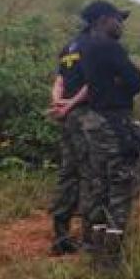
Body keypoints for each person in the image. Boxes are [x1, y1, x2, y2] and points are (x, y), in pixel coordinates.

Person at [79, 0, 140, 267]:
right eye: (119, 19)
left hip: (94, 120)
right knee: (120, 186)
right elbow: (136, 81)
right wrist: (123, 80)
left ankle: (95, 250)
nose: (121, 25)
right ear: (104, 20)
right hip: (113, 122)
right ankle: (111, 259)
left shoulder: (85, 46)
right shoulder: (110, 47)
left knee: (99, 185)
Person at [47, 20, 93, 254]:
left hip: (66, 116)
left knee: (68, 172)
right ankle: (88, 239)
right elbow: (92, 83)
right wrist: (71, 104)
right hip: (85, 116)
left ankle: (60, 236)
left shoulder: (68, 47)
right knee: (89, 175)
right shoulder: (95, 46)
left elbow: (60, 81)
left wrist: (58, 103)